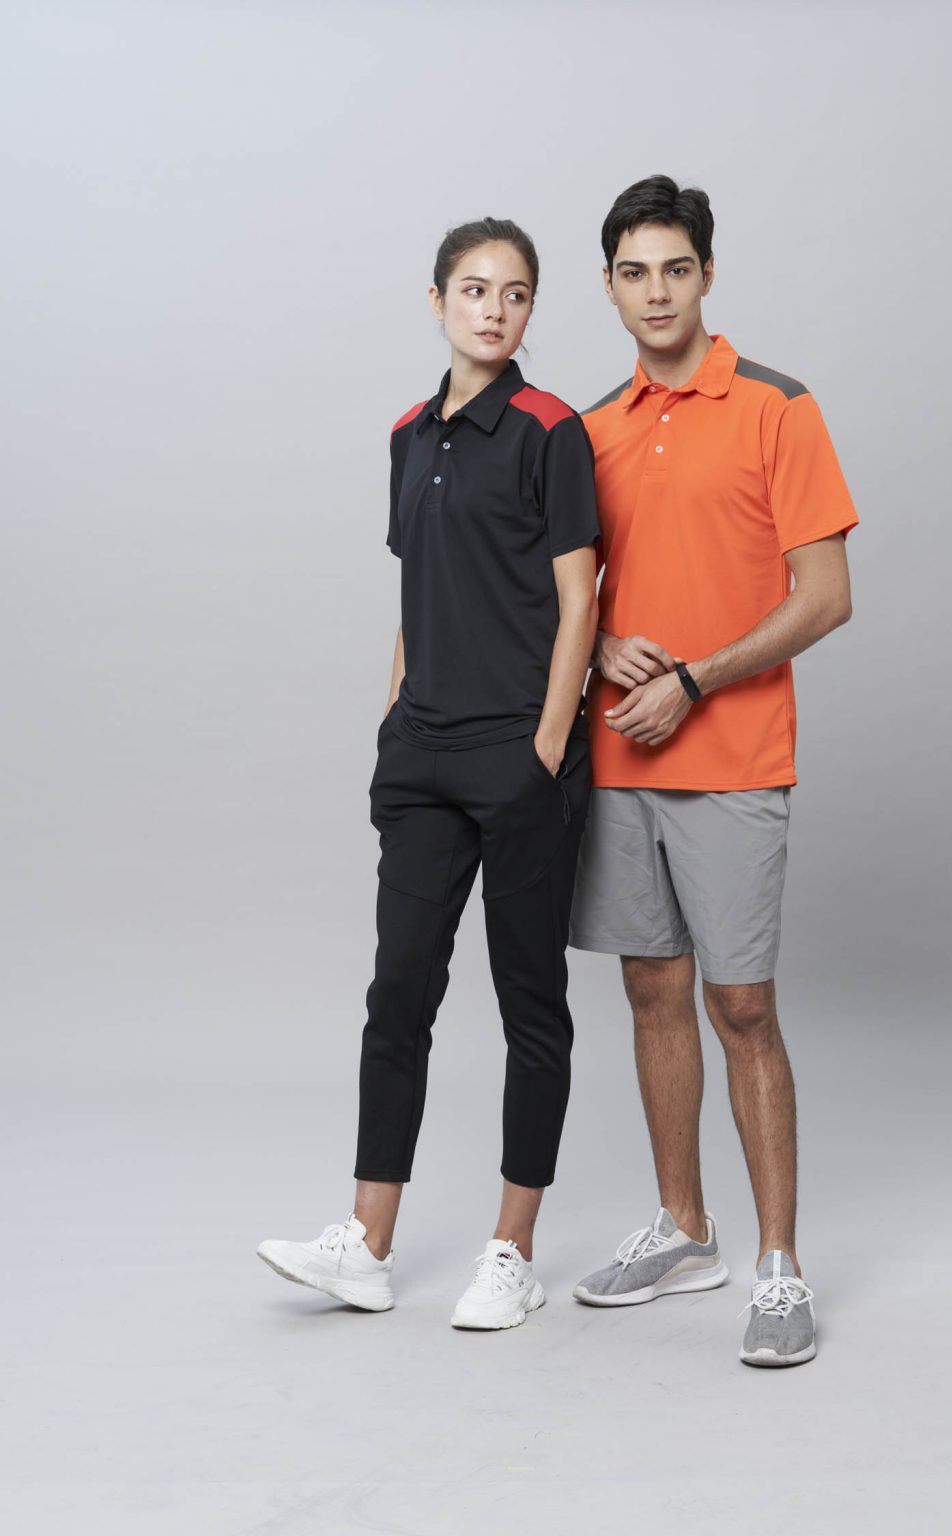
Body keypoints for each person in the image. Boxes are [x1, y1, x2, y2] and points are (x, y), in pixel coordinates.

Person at [258, 218, 599, 1330]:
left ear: (532, 309)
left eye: (515, 293)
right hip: (422, 759)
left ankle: (513, 1251)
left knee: (529, 1003)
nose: (494, 309)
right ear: (438, 299)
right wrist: (395, 716)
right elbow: (419, 587)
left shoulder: (550, 430)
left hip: (517, 757)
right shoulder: (408, 435)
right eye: (474, 289)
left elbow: (580, 601)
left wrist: (544, 749)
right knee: (397, 993)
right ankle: (367, 1243)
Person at [569, 176, 857, 1366]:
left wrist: (692, 679)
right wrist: (601, 647)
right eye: (634, 273)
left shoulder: (777, 407)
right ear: (608, 286)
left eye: (675, 270)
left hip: (733, 757)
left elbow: (826, 597)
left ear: (706, 275)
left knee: (742, 1007)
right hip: (616, 759)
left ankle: (778, 1268)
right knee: (650, 992)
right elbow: (568, 595)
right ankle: (684, 1228)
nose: (656, 293)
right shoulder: (589, 429)